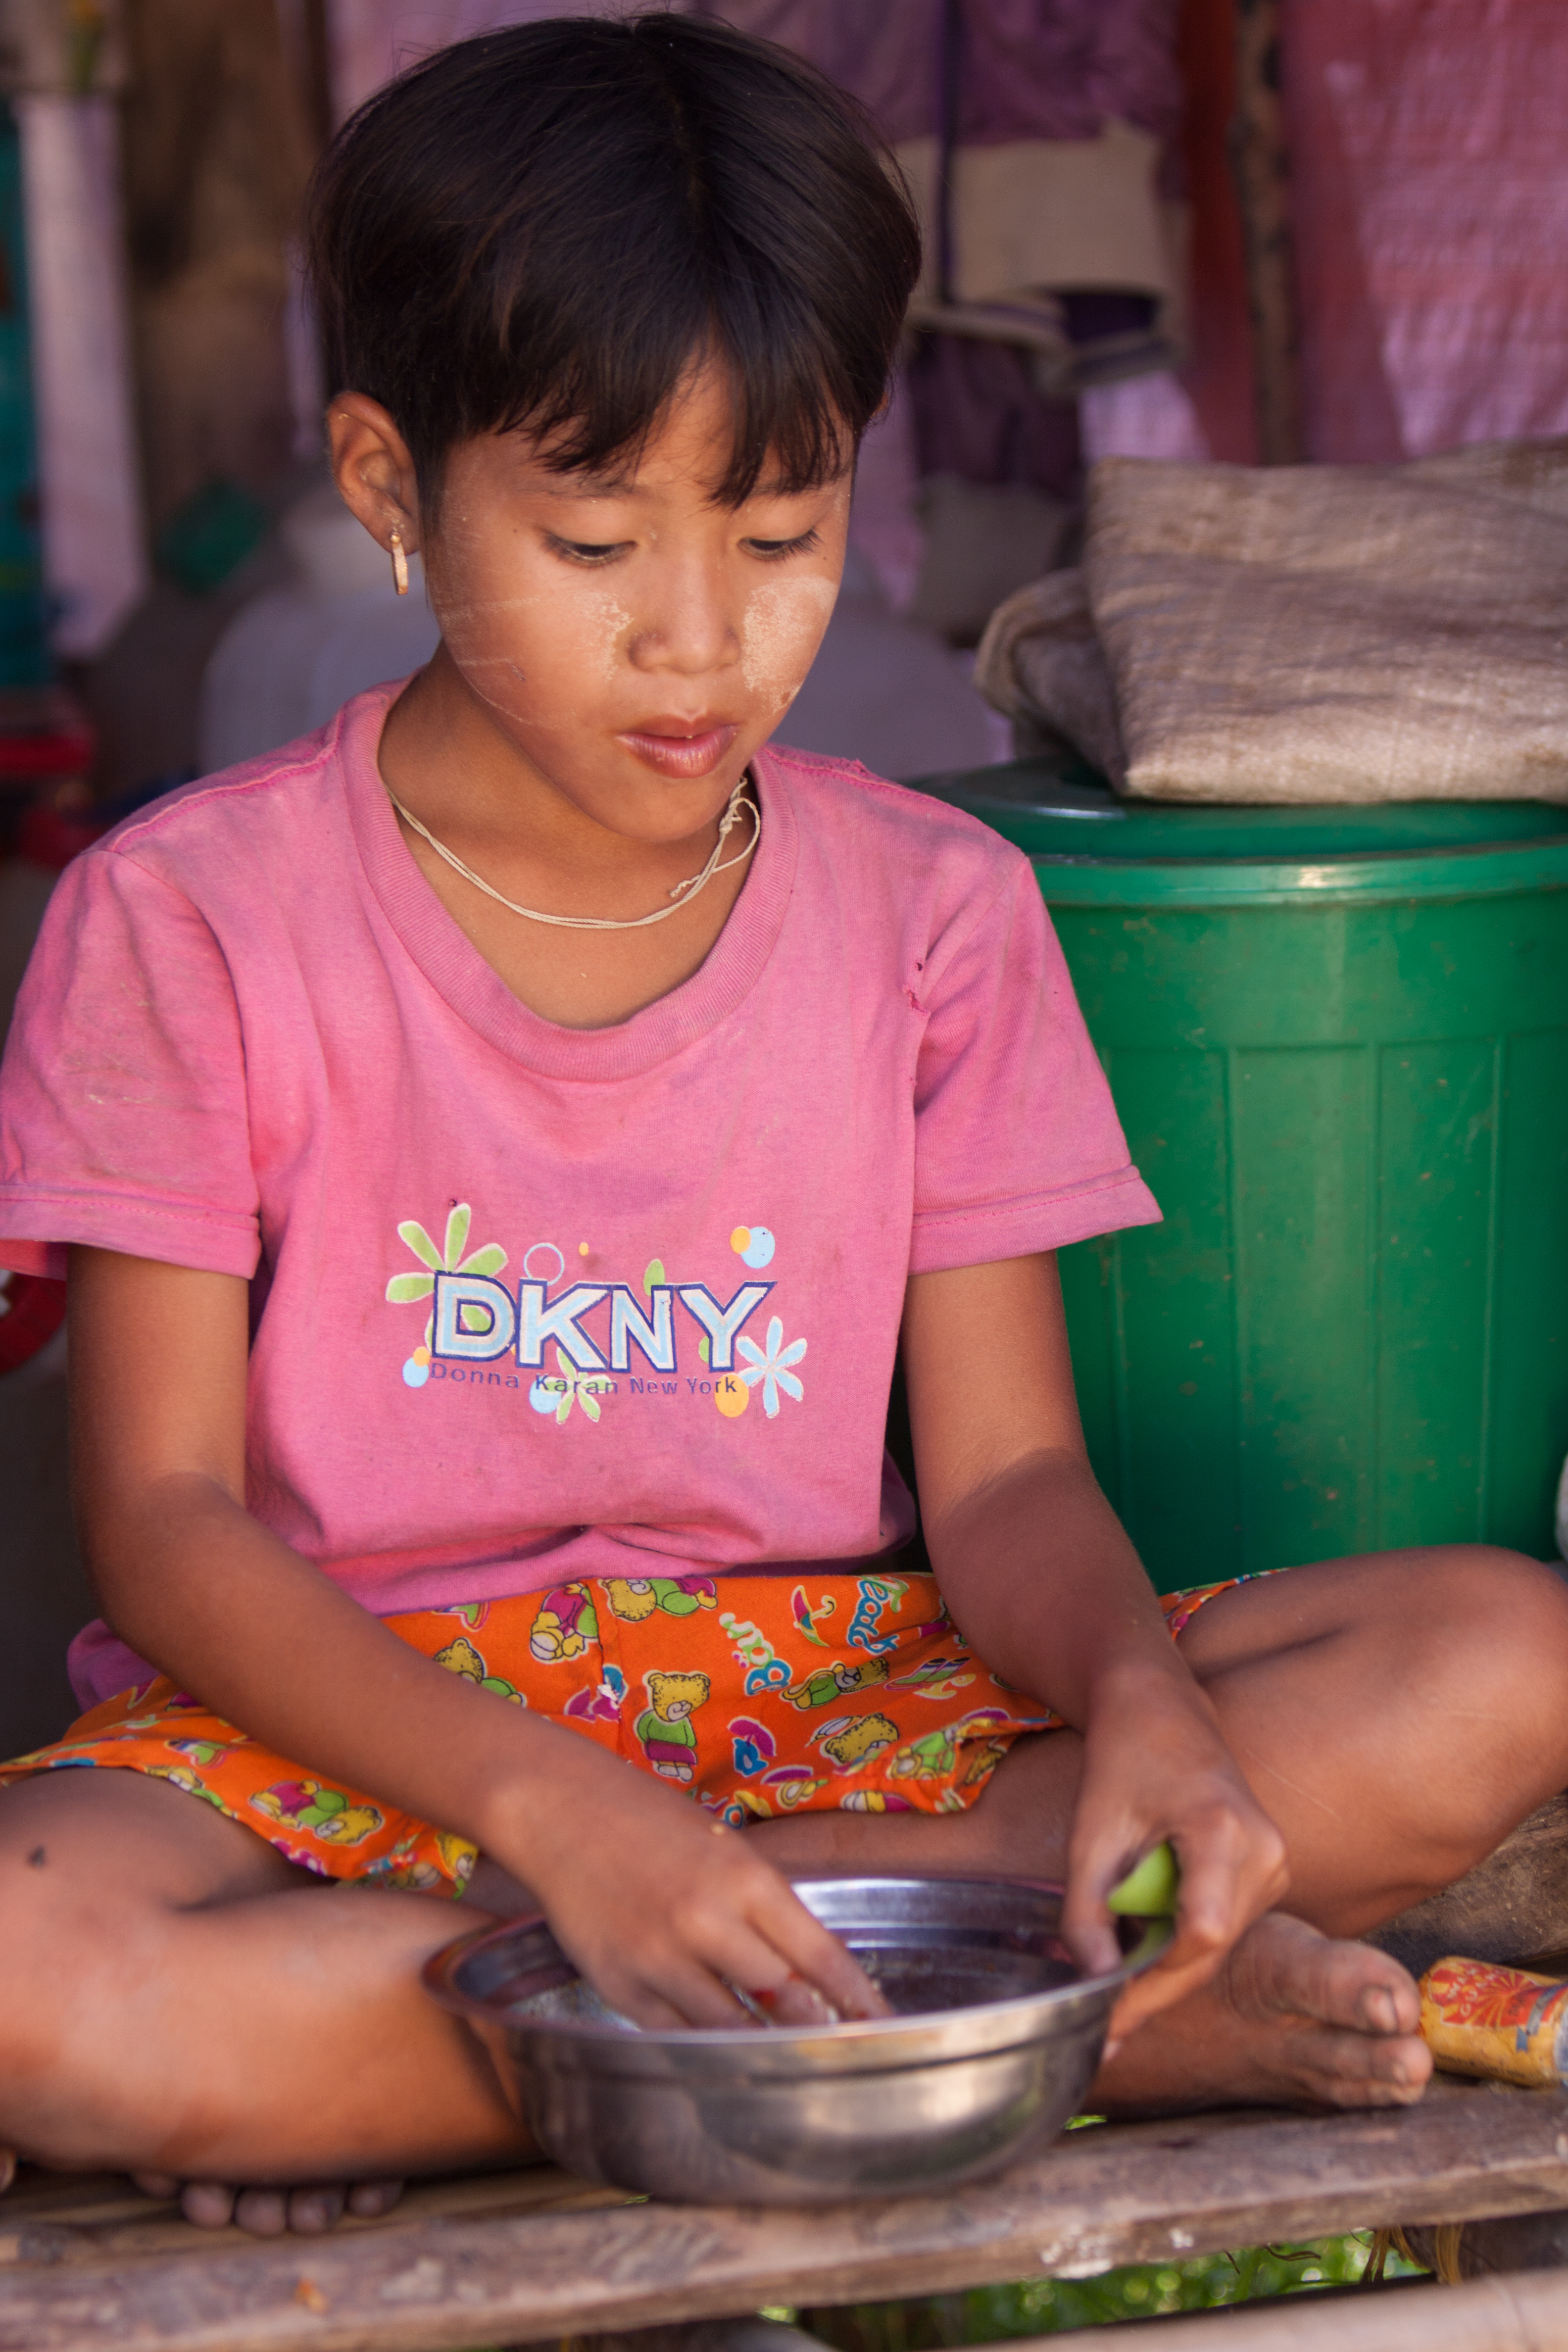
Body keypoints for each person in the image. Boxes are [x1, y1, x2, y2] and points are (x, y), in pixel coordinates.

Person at [0, 12, 1566, 2240]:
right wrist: (561, 1815)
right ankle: (1072, 2018)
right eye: (594, 539)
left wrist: (1144, 1705)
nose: (701, 642)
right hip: (349, 1738)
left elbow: (1010, 1474)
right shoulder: (189, 913)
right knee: (23, 1968)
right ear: (384, 483)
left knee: (1500, 1661)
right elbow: (166, 1523)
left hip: (816, 1697)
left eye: (780, 530)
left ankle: (452, 2053)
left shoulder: (936, 908)